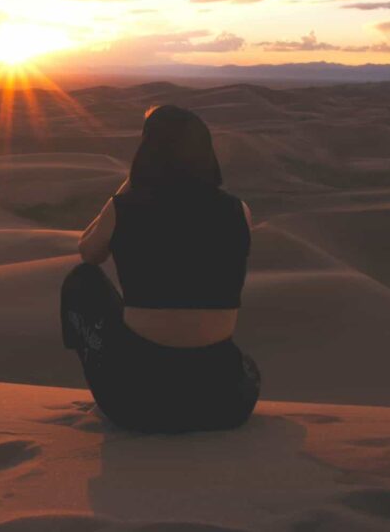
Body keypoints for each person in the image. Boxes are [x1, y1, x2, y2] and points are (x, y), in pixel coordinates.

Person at [60, 105, 260, 433]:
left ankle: (103, 385)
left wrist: (130, 184)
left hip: (137, 404)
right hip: (226, 403)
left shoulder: (125, 209)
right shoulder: (239, 211)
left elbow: (88, 253)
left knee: (82, 282)